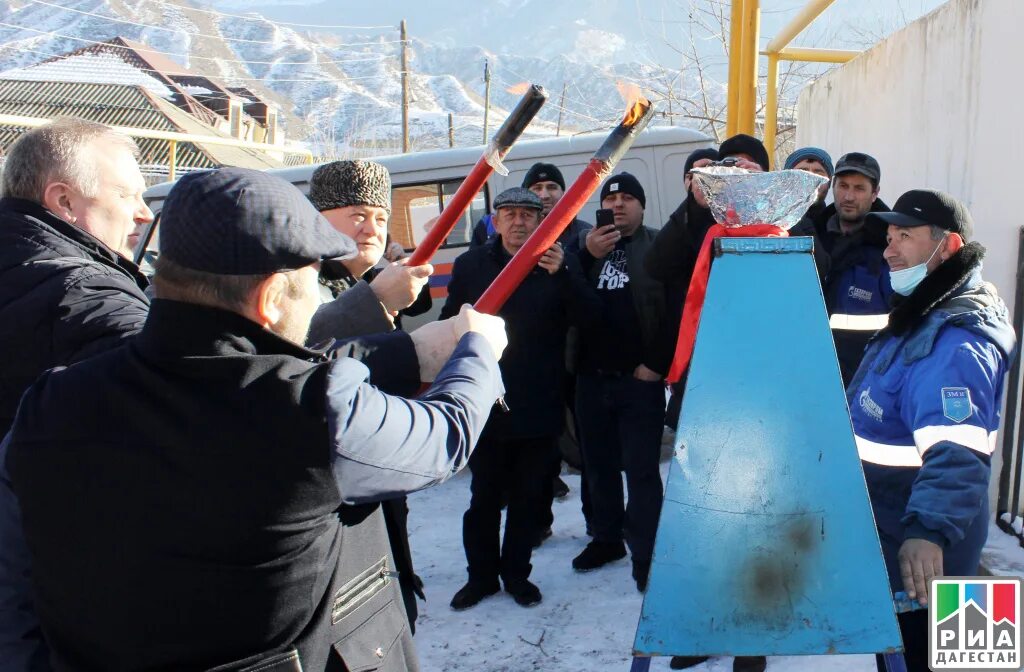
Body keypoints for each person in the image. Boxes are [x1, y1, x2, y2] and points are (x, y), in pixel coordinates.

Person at [4, 167, 508, 672]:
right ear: (270, 299)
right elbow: (445, 436)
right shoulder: (312, 407)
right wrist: (479, 353)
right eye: (313, 281)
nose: (317, 296)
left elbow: (17, 571)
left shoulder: (54, 400)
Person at [850, 190, 1014, 672]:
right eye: (888, 236)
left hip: (929, 557)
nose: (889, 249)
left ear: (948, 245)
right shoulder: (922, 314)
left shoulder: (955, 343)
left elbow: (958, 452)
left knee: (943, 662)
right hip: (901, 537)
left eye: (905, 236)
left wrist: (928, 532)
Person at [441, 188, 598, 611]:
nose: (518, 223)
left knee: (529, 499)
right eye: (508, 214)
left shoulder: (556, 265)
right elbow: (447, 326)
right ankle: (481, 578)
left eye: (527, 215)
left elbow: (590, 319)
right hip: (483, 404)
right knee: (485, 498)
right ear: (494, 220)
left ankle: (516, 575)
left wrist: (566, 275)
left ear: (540, 220)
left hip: (538, 401)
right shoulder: (472, 265)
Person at [307, 160, 434, 633]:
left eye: (381, 218)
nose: (372, 229)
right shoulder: (304, 282)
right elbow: (306, 346)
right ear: (320, 217)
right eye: (357, 215)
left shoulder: (364, 277)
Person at [571, 172, 673, 594]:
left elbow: (673, 310)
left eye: (628, 198)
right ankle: (606, 539)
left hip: (639, 381)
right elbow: (563, 298)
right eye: (611, 198)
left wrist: (655, 365)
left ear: (642, 207)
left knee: (642, 470)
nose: (618, 205)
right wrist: (587, 256)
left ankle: (648, 555)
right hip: (590, 379)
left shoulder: (657, 247)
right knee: (598, 468)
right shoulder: (580, 249)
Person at [815, 152, 893, 387]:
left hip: (863, 383)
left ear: (875, 193)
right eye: (843, 186)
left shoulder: (890, 249)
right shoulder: (810, 236)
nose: (849, 196)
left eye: (859, 188)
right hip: (808, 369)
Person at [469, 162, 592, 253]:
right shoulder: (490, 229)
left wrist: (564, 266)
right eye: (537, 188)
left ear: (563, 193)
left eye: (552, 187)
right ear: (526, 193)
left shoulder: (585, 233)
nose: (544, 195)